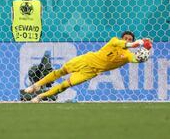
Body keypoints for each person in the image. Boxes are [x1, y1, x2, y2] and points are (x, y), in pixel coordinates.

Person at [24, 31, 153, 103]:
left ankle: (39, 97)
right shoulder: (114, 41)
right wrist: (139, 42)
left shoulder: (127, 57)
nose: (128, 40)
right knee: (61, 71)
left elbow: (137, 59)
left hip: (91, 72)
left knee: (65, 85)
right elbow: (129, 45)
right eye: (126, 38)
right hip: (86, 59)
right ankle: (36, 86)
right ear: (122, 38)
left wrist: (145, 52)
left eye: (130, 39)